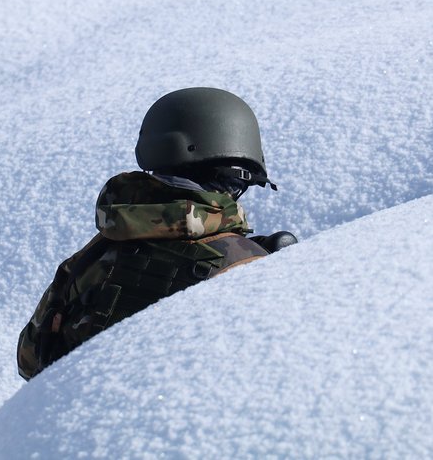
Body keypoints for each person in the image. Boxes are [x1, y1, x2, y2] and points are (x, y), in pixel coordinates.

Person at [17, 87, 297, 380]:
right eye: (242, 183)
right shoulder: (243, 265)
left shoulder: (94, 254)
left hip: (78, 415)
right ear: (228, 177)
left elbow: (29, 360)